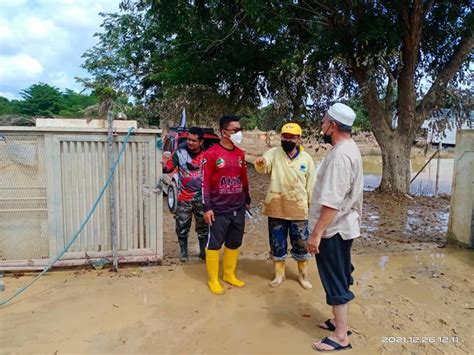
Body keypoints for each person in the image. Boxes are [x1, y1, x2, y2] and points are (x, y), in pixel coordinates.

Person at [307, 103, 363, 352]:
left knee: (335, 280)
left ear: (333, 126)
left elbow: (331, 202)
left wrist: (316, 233)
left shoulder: (340, 155)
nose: (322, 124)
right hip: (343, 226)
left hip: (333, 229)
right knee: (339, 274)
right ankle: (336, 321)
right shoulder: (348, 148)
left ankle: (341, 336)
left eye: (324, 120)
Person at [254, 122, 316, 290]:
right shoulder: (274, 153)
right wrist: (260, 162)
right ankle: (279, 275)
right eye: (284, 136)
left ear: (299, 139)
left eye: (291, 137)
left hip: (299, 211)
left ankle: (303, 276)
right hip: (276, 208)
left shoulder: (307, 159)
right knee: (277, 243)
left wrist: (312, 207)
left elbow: (311, 186)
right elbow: (264, 167)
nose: (287, 139)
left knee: (301, 245)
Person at [201, 115, 251, 295]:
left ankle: (229, 274)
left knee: (234, 242)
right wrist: (207, 207)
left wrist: (247, 199)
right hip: (218, 209)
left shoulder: (240, 153)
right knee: (214, 244)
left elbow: (244, 178)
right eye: (235, 130)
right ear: (224, 132)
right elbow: (204, 183)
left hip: (237, 207)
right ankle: (213, 279)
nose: (239, 133)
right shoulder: (211, 154)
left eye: (240, 129)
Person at [163, 127, 207, 262]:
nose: (190, 142)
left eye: (194, 140)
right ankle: (183, 253)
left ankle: (203, 252)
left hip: (202, 198)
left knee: (203, 227)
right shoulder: (179, 153)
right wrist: (161, 165)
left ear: (201, 142)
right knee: (182, 226)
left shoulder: (207, 156)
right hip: (183, 197)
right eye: (188, 139)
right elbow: (168, 168)